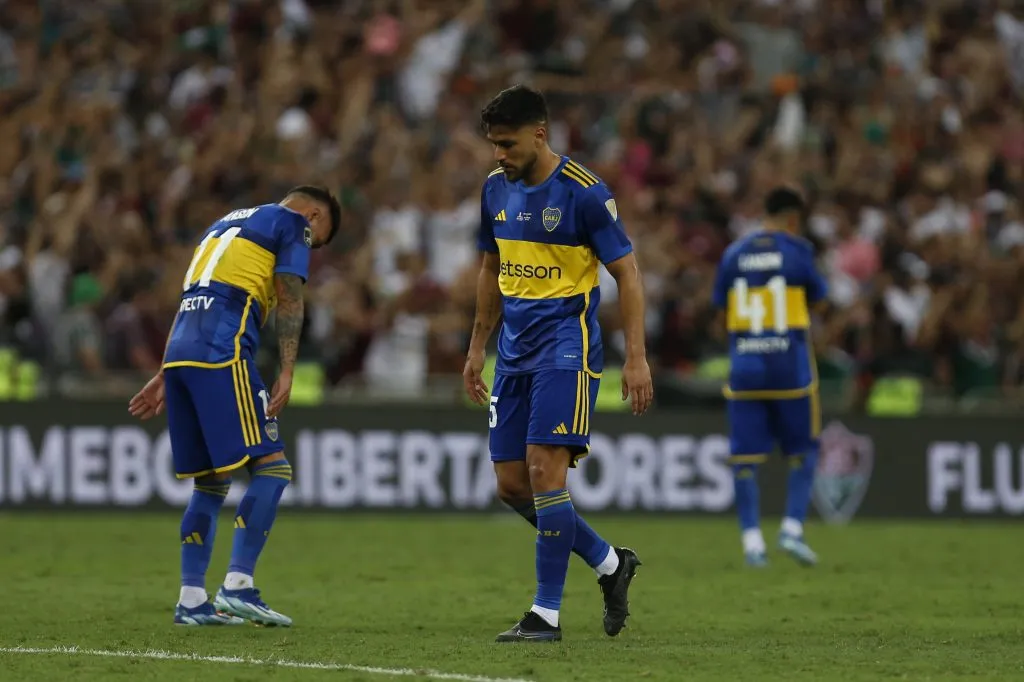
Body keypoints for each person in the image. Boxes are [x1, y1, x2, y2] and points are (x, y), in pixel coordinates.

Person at [463, 85, 654, 643]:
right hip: (513, 352)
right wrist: (476, 347)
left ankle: (544, 614)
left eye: (507, 143)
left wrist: (636, 358)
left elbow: (628, 274)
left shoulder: (584, 192)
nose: (498, 154)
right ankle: (610, 564)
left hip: (566, 348)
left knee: (545, 473)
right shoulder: (494, 189)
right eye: (494, 144)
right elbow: (490, 269)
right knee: (511, 485)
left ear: (540, 134)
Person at [129, 186, 341, 626]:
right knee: (273, 467)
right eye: (317, 242)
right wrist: (287, 368)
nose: (310, 247)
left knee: (210, 483)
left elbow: (190, 297)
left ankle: (191, 599)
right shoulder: (292, 223)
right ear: (315, 216)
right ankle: (238, 585)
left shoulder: (221, 225)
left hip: (182, 352)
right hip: (222, 349)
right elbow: (289, 295)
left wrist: (166, 371)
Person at [711, 187, 826, 568]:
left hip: (744, 368)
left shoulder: (733, 253)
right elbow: (819, 298)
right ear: (793, 218)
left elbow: (720, 310)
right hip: (789, 369)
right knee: (804, 451)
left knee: (744, 459)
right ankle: (791, 529)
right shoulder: (798, 251)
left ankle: (752, 544)